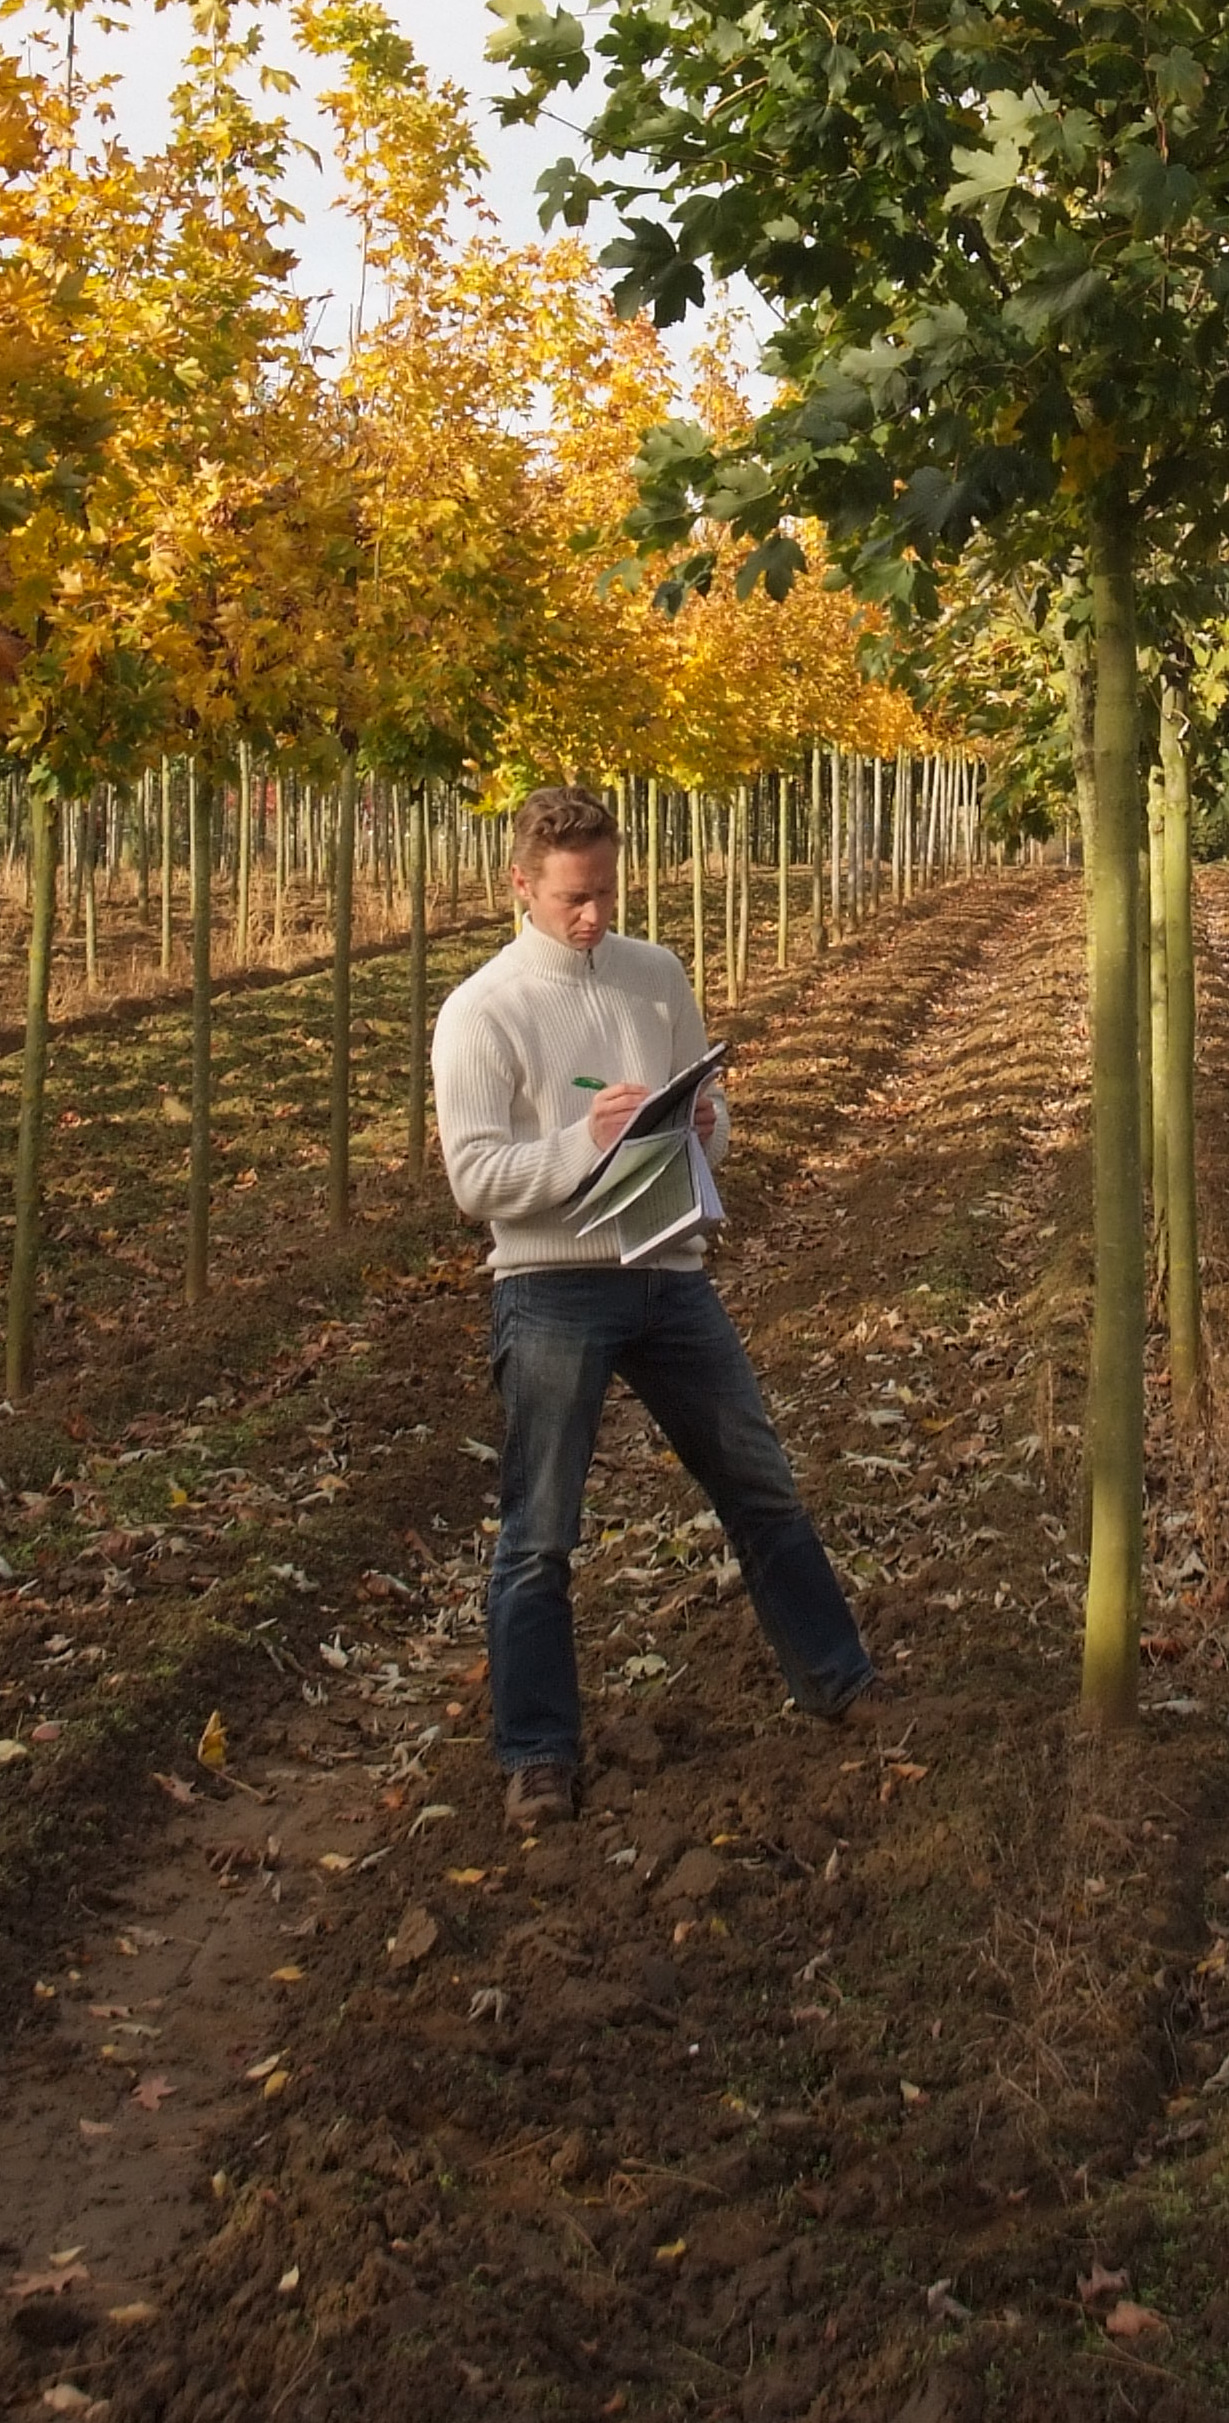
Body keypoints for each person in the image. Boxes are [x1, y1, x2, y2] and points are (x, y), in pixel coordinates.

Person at [431, 782, 873, 1826]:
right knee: (539, 1530)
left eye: (606, 893)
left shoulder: (656, 973)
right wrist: (583, 1140)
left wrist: (705, 1120)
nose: (593, 915)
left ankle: (841, 1680)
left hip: (668, 1272)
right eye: (573, 898)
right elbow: (476, 1180)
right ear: (522, 884)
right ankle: (538, 1751)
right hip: (549, 1284)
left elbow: (705, 1134)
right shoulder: (482, 1010)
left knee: (758, 1480)